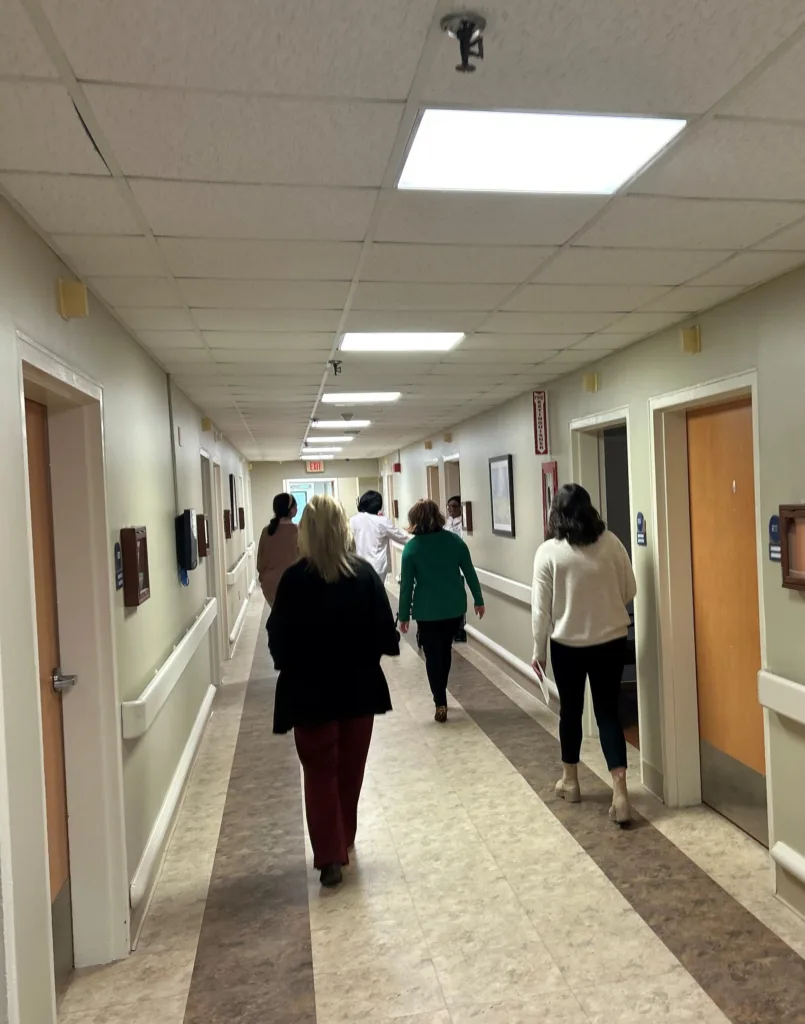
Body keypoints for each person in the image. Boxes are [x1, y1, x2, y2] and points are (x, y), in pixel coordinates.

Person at [268, 495, 400, 887]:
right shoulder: (363, 576)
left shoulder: (294, 581)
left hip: (309, 696)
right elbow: (386, 636)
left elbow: (278, 640)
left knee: (320, 773)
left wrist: (294, 663)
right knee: (349, 773)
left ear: (305, 533)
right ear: (343, 530)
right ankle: (344, 839)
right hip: (358, 693)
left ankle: (330, 856)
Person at [531, 484, 637, 826]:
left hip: (568, 646)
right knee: (608, 714)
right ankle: (620, 792)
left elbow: (540, 610)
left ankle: (571, 781)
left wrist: (539, 651)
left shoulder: (549, 552)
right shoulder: (612, 543)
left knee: (571, 713)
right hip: (611, 641)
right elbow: (629, 589)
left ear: (556, 514)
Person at [398, 499, 484, 723]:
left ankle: (440, 700)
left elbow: (406, 586)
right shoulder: (454, 542)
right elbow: (470, 572)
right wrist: (478, 598)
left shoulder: (412, 549)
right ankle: (441, 692)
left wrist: (404, 616)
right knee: (445, 650)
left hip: (427, 610)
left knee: (432, 654)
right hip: (453, 607)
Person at [350, 489, 409, 581]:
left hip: (358, 564)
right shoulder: (382, 521)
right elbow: (402, 538)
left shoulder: (353, 520)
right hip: (377, 566)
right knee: (376, 592)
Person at [256, 493, 298, 605]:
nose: (297, 509)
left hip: (270, 586)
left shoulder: (267, 531)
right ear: (291, 510)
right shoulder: (299, 532)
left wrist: (264, 579)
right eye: (295, 506)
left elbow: (260, 563)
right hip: (294, 585)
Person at [445, 496, 467, 642]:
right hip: (448, 567)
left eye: (454, 506)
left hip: (460, 567)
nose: (451, 509)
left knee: (460, 599)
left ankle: (461, 629)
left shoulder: (463, 525)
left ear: (460, 507)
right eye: (449, 506)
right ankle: (453, 628)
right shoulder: (447, 524)